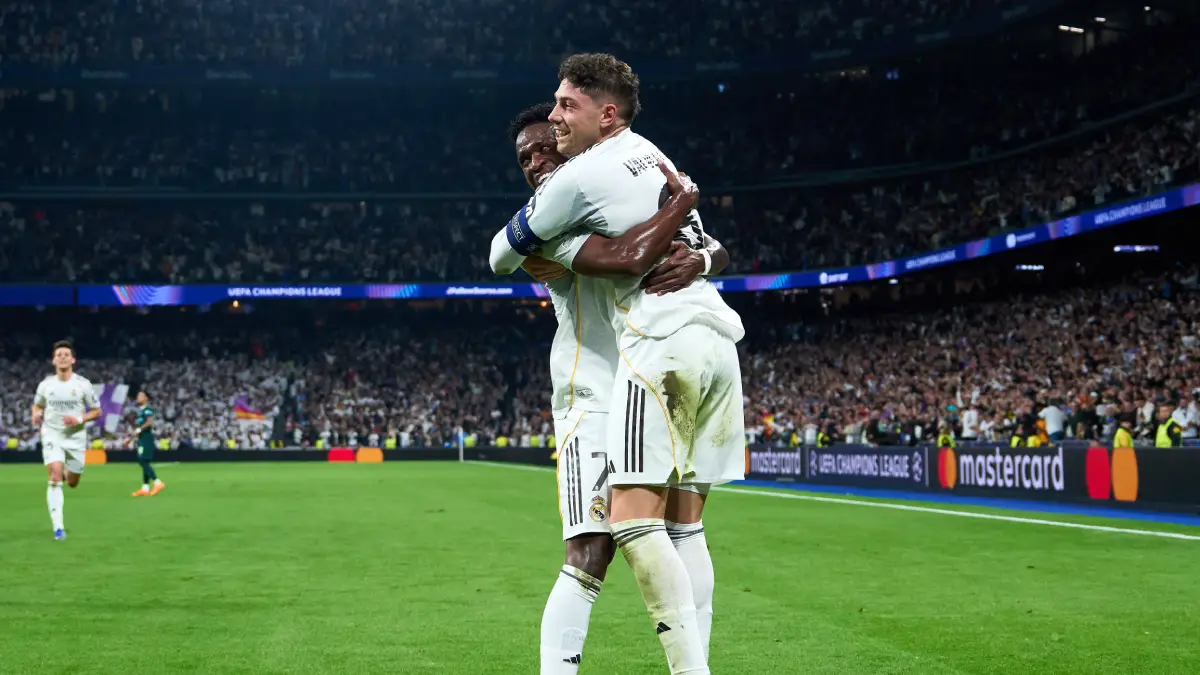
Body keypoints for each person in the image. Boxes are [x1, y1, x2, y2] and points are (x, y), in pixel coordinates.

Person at [490, 53, 746, 674]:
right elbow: (632, 256)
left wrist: (707, 256)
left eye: (545, 146)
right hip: (590, 396)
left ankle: (694, 664)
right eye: (524, 158)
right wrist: (683, 209)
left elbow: (688, 248)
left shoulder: (605, 182)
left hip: (646, 371)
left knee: (682, 529)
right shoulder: (550, 233)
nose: (536, 160)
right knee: (591, 547)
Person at [30, 340, 100, 541]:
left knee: (72, 482)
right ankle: (58, 528)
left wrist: (79, 419)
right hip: (52, 433)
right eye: (58, 354)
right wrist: (36, 414)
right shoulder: (46, 385)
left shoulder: (82, 385)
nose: (62, 357)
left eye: (66, 354)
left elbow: (97, 411)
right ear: (53, 360)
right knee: (54, 474)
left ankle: (64, 472)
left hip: (75, 437)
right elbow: (37, 405)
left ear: (73, 360)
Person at [131, 389, 166, 497]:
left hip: (146, 438)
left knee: (142, 461)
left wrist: (139, 430)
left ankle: (157, 482)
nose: (138, 397)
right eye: (138, 395)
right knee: (144, 461)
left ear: (146, 398)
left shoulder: (147, 409)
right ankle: (145, 488)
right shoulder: (141, 411)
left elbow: (149, 422)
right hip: (142, 438)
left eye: (140, 396)